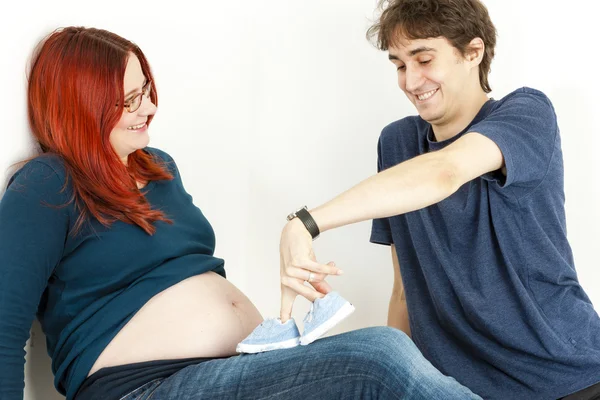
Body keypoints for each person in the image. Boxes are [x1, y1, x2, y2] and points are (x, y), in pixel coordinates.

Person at [0, 26, 483, 400]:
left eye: (146, 90)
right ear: (81, 104)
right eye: (127, 100)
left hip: (232, 369)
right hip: (141, 387)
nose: (147, 108)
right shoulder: (50, 181)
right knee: (379, 355)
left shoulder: (159, 167)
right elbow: (4, 327)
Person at [278, 1, 600, 399]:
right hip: (455, 389)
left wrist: (307, 222)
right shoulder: (396, 143)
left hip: (564, 376)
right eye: (399, 65)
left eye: (424, 59)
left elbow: (444, 171)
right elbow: (404, 291)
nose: (411, 81)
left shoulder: (527, 114)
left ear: (473, 53)